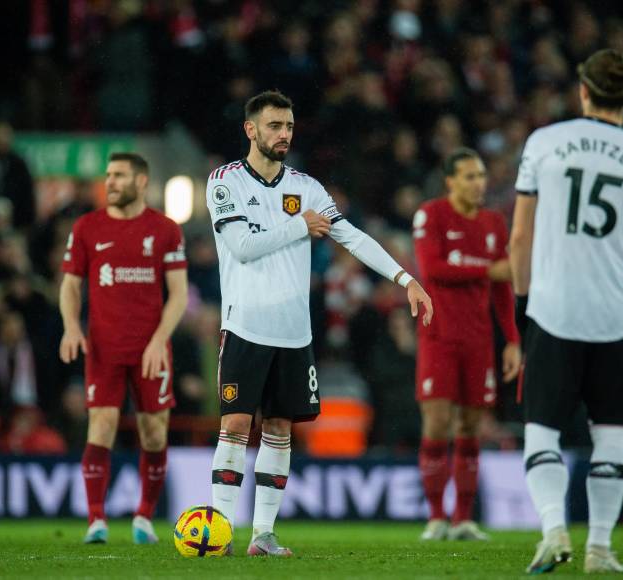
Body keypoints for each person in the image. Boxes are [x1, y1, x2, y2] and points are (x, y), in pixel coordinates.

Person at [206, 90, 432, 557]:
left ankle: (263, 535)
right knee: (234, 424)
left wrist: (405, 277)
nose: (284, 134)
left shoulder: (307, 187)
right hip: (245, 326)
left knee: (281, 429)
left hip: (294, 332)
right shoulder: (224, 182)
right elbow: (243, 248)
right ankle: (221, 530)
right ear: (251, 129)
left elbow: (350, 235)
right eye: (274, 126)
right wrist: (298, 226)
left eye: (288, 126)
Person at [509, 49, 623, 574]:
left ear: (583, 91)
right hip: (615, 320)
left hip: (554, 310)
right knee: (610, 436)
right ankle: (600, 548)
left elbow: (520, 236)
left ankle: (553, 529)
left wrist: (521, 302)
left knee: (542, 430)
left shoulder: (545, 143)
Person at [59, 153, 188, 545]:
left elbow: (179, 294)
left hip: (151, 348)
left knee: (153, 432)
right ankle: (96, 520)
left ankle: (144, 518)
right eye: (108, 176)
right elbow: (70, 284)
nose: (110, 182)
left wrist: (158, 340)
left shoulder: (165, 229)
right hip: (104, 347)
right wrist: (69, 326)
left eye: (119, 176)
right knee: (101, 426)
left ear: (142, 181)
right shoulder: (87, 227)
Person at [412, 147, 521, 541]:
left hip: (479, 339)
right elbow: (433, 269)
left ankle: (462, 519)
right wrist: (487, 268)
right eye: (470, 176)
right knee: (438, 423)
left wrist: (511, 340)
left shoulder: (494, 223)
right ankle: (436, 516)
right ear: (450, 181)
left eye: (481, 176)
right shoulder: (432, 213)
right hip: (439, 337)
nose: (479, 183)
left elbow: (503, 288)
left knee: (472, 427)